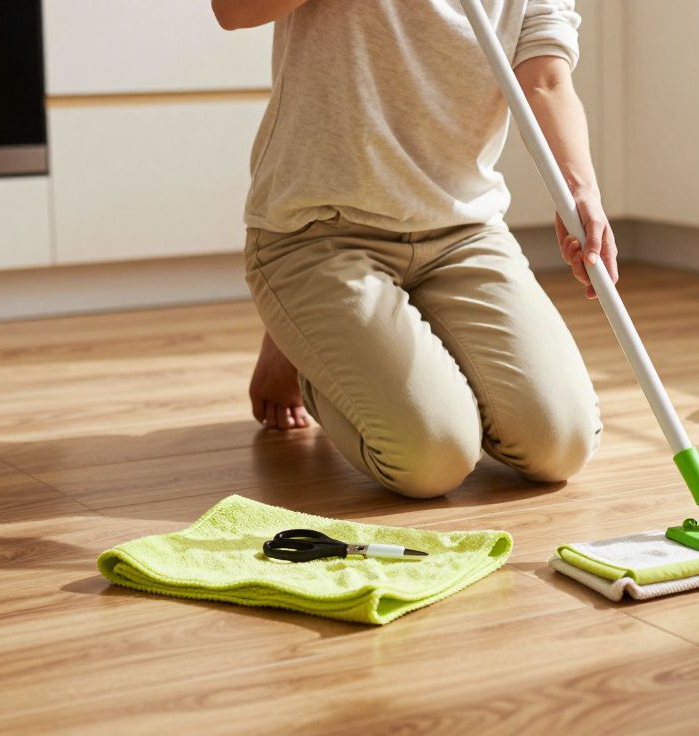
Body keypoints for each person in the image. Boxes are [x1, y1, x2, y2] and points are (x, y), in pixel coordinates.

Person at [212, 0, 614, 497]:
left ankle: (336, 334)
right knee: (432, 459)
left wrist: (581, 190)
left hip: (461, 231)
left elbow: (546, 79)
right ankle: (304, 339)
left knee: (560, 444)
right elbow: (231, 11)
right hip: (320, 230)